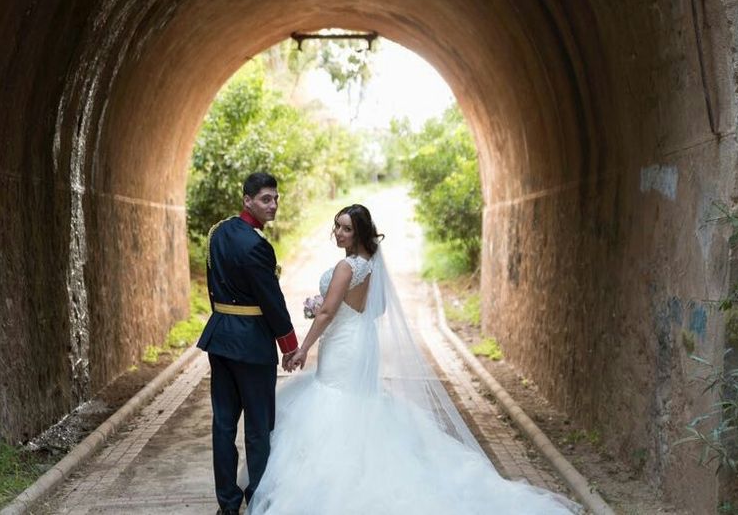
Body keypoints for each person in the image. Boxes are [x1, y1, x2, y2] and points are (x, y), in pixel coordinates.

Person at [247, 204, 578, 514]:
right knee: (358, 403)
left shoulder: (347, 267)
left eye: (346, 228)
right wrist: (336, 310)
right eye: (337, 226)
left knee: (333, 402)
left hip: (342, 347)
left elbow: (328, 313)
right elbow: (376, 309)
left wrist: (303, 348)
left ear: (360, 234)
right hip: (359, 340)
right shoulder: (371, 265)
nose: (338, 232)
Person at [196, 172, 301, 515]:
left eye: (276, 199)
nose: (273, 206)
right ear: (247, 200)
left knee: (223, 425)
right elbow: (271, 300)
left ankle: (227, 505)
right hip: (252, 345)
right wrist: (289, 345)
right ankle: (257, 498)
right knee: (258, 427)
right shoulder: (257, 246)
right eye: (266, 199)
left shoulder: (218, 232)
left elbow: (214, 284)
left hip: (220, 338)